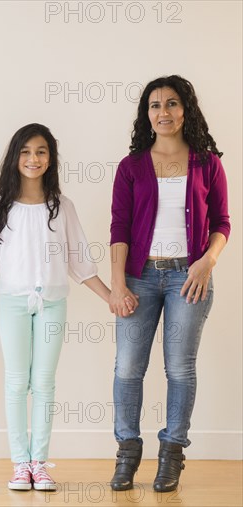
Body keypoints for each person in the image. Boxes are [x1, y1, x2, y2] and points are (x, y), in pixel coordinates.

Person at [0, 123, 118, 491]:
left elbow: (80, 264)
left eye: (41, 151)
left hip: (52, 304)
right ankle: (19, 464)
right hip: (12, 304)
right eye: (26, 151)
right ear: (15, 157)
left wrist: (110, 295)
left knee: (43, 383)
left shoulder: (63, 208)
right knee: (17, 383)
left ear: (51, 158)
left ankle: (39, 464)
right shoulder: (2, 208)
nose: (33, 158)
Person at [108, 75, 230, 492]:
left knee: (180, 368)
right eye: (155, 105)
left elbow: (222, 223)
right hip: (138, 278)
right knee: (128, 368)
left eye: (172, 104)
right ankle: (127, 452)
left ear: (186, 109)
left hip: (188, 279)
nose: (164, 112)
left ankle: (172, 455)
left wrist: (206, 263)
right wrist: (117, 282)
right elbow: (119, 227)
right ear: (147, 114)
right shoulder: (132, 166)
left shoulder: (208, 163)